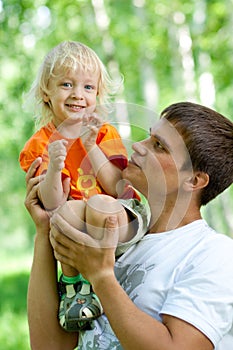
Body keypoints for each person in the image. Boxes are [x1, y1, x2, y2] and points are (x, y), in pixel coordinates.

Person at [25, 101, 233, 350]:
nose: (137, 146)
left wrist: (101, 276)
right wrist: (44, 229)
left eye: (159, 146)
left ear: (194, 180)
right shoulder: (115, 233)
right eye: (149, 137)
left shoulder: (215, 255)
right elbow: (49, 346)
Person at [19, 41, 148, 332]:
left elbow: (116, 187)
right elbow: (50, 202)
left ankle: (99, 282)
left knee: (98, 203)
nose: (78, 94)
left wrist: (91, 147)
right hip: (74, 230)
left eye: (88, 87)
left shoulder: (103, 132)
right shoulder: (40, 144)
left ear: (98, 94)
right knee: (65, 212)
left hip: (117, 219)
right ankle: (75, 290)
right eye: (66, 84)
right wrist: (53, 166)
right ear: (46, 93)